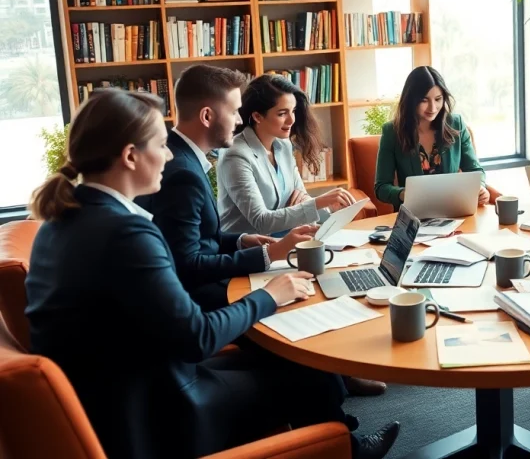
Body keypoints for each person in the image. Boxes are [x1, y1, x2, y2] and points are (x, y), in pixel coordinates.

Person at [24, 90, 399, 459]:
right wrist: (271, 296)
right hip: (160, 410)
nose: (170, 155)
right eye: (161, 144)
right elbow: (197, 337)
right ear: (130, 157)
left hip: (120, 392)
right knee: (309, 374)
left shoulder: (61, 220)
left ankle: (341, 445)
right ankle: (343, 450)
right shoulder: (126, 233)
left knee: (297, 358)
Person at [138, 65, 386, 396]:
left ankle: (334, 382)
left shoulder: (187, 159)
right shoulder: (187, 170)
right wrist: (268, 252)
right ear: (209, 115)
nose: (238, 120)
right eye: (233, 111)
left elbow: (199, 241)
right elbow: (188, 263)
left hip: (235, 259)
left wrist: (241, 240)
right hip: (208, 291)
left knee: (309, 289)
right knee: (297, 313)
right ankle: (340, 419)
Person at [218, 74, 357, 236]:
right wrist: (318, 202)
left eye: (293, 111)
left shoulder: (283, 145)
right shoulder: (235, 155)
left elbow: (302, 200)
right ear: (257, 116)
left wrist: (324, 206)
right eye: (282, 113)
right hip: (248, 251)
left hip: (287, 240)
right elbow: (261, 221)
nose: (292, 120)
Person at [375, 65, 489, 209]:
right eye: (424, 100)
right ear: (411, 100)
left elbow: (474, 170)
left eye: (438, 99)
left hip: (454, 212)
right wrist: (404, 194)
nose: (432, 107)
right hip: (414, 217)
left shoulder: (456, 124)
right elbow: (381, 187)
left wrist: (480, 187)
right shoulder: (392, 132)